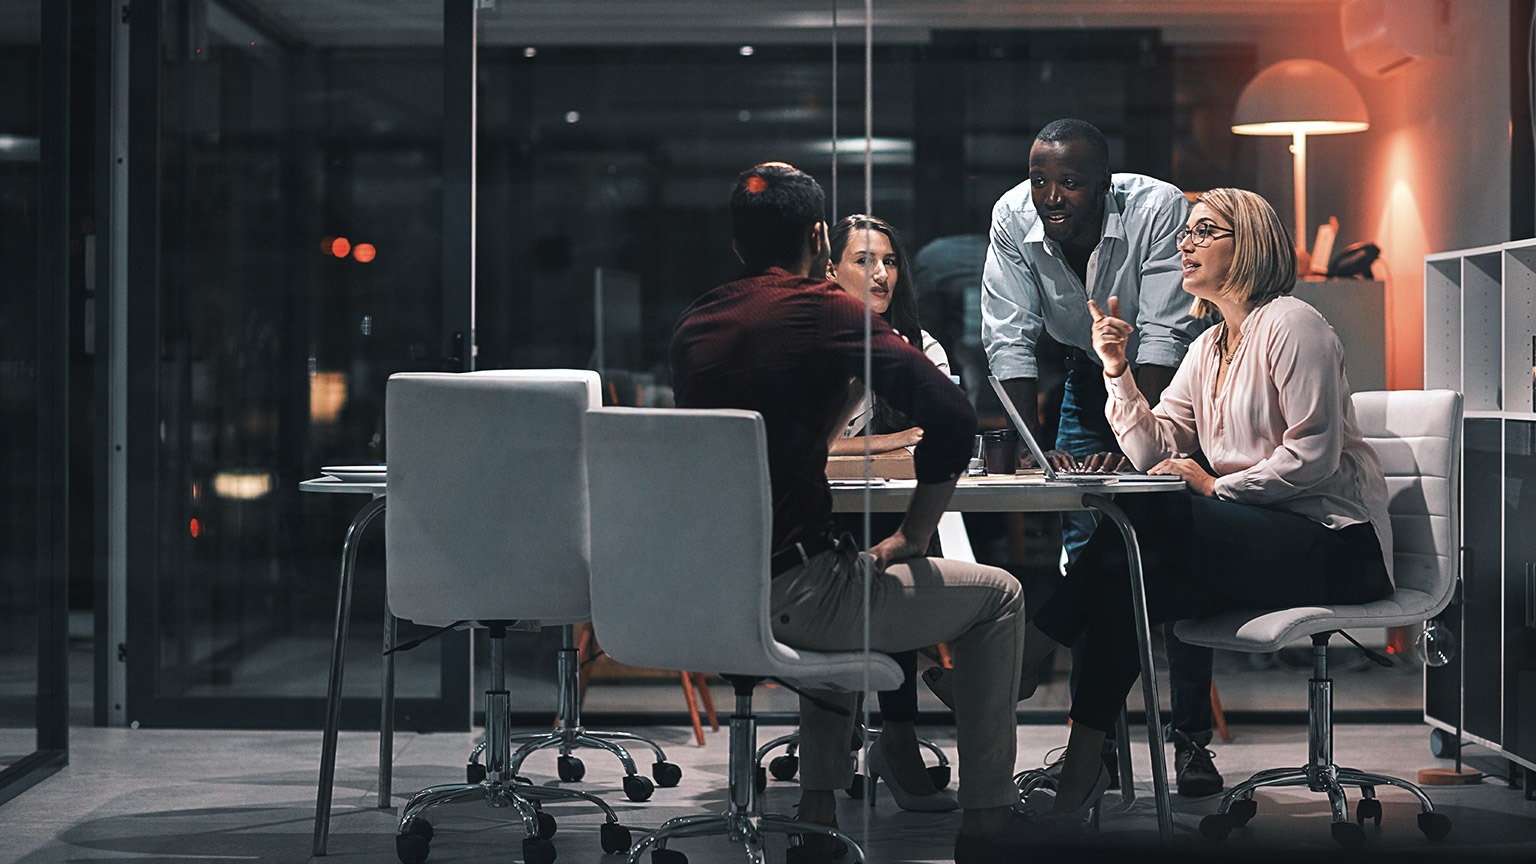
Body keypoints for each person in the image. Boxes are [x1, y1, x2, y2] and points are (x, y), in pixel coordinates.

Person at [670, 162, 1033, 862]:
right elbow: (955, 417)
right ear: (816, 237)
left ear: (739, 243)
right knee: (1001, 599)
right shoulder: (823, 309)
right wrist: (915, 534)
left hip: (702, 592)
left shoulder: (697, 319)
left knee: (838, 565)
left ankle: (816, 807)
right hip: (797, 593)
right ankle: (990, 817)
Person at [1021, 187, 1394, 827]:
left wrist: (1214, 487)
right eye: (1185, 232)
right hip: (1256, 538)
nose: (1183, 243)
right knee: (1122, 584)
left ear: (1244, 245)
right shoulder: (1209, 344)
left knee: (1145, 522)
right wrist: (1117, 370)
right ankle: (1083, 773)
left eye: (1203, 231)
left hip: (1334, 545)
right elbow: (1153, 449)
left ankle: (1026, 656)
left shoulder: (1292, 324)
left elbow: (1313, 457)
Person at [971, 117, 1222, 796]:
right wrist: (1032, 453)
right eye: (1041, 179)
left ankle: (1192, 742)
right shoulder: (1011, 218)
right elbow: (1011, 341)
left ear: (1103, 187)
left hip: (1169, 375)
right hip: (1090, 368)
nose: (1052, 196)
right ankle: (1100, 748)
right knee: (1085, 548)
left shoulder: (1158, 209)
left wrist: (1141, 444)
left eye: (1071, 182)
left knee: (1170, 543)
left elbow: (1169, 338)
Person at [824, 214, 957, 812]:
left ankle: (885, 736)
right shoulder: (814, 342)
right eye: (862, 260)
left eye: (890, 261)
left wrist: (848, 446)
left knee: (891, 553)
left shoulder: (919, 347)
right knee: (870, 554)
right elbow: (800, 448)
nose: (880, 274)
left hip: (893, 517)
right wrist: (879, 442)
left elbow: (936, 436)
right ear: (830, 270)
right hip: (814, 521)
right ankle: (875, 737)